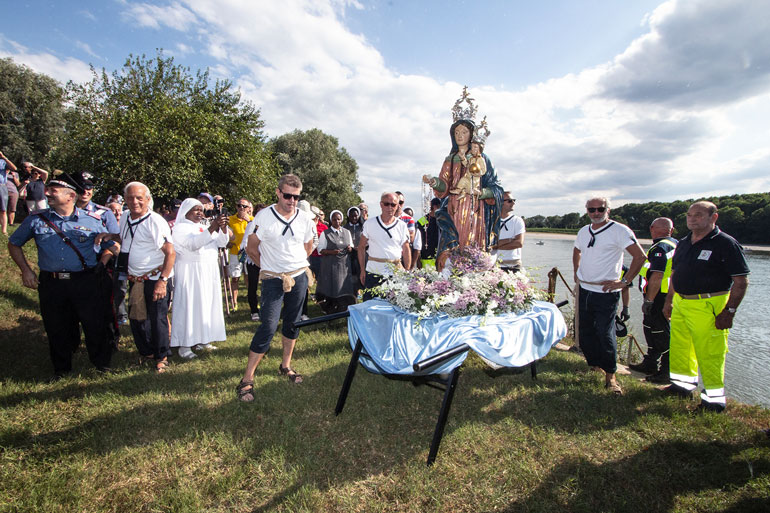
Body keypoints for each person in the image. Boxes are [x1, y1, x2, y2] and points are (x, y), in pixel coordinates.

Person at [8, 172, 117, 379]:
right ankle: (61, 369)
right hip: (52, 283)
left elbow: (112, 246)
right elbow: (14, 243)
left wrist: (106, 259)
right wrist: (26, 270)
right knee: (56, 326)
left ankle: (102, 366)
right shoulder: (36, 220)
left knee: (94, 324)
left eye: (53, 191)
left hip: (85, 281)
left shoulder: (92, 220)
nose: (47, 194)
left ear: (70, 196)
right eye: (48, 190)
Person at [663, 201, 750, 413]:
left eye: (699, 215)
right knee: (681, 348)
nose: (692, 219)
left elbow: (741, 281)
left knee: (710, 353)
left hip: (709, 304)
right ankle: (682, 387)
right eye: (689, 215)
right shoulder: (684, 242)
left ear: (714, 217)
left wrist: (729, 311)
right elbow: (675, 273)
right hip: (682, 302)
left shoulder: (725, 244)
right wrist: (669, 300)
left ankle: (714, 402)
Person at [237, 174, 316, 401]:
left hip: (298, 277)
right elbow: (252, 248)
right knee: (268, 326)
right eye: (288, 196)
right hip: (273, 279)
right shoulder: (264, 217)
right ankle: (247, 379)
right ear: (278, 193)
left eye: (296, 197)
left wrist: (294, 266)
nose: (292, 201)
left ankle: (285, 365)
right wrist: (270, 268)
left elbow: (308, 245)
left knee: (293, 322)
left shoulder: (304, 219)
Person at [422, 89, 503, 269]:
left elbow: (497, 188)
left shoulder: (482, 158)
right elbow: (444, 185)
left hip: (476, 209)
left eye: (464, 132)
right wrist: (434, 182)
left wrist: (481, 193)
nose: (459, 136)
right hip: (454, 207)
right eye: (456, 132)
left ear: (471, 134)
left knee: (473, 251)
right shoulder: (450, 159)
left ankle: (473, 279)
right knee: (452, 248)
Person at [573, 197, 646, 396]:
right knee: (586, 332)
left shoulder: (620, 231)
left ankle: (611, 376)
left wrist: (625, 281)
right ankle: (595, 365)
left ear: (608, 210)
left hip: (606, 293)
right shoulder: (583, 231)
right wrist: (576, 271)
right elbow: (577, 250)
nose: (596, 213)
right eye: (592, 209)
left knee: (605, 333)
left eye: (600, 209)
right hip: (585, 289)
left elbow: (640, 256)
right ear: (587, 211)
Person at [104, 182, 175, 373]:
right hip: (135, 279)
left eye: (139, 198)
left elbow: (170, 252)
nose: (134, 202)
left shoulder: (155, 221)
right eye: (130, 198)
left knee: (157, 318)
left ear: (148, 199)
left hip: (155, 278)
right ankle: (147, 352)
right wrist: (109, 236)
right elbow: (125, 238)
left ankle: (161, 356)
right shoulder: (125, 216)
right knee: (137, 318)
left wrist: (163, 281)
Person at [170, 198, 229, 359]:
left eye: (201, 210)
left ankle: (204, 339)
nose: (199, 212)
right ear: (186, 211)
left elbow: (222, 242)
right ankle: (184, 345)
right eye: (195, 209)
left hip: (208, 271)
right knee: (190, 306)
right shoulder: (180, 228)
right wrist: (213, 226)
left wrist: (223, 227)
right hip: (190, 271)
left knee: (206, 305)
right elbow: (193, 244)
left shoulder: (204, 226)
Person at [629, 217, 677, 383]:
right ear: (671, 230)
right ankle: (650, 362)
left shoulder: (661, 248)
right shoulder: (675, 244)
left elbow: (657, 275)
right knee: (651, 329)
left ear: (652, 229)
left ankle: (666, 371)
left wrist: (649, 300)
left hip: (659, 296)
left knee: (659, 332)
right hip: (665, 295)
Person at [358, 192, 411, 301]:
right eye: (387, 204)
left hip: (395, 274)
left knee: (394, 306)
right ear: (381, 204)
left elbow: (406, 249)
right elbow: (361, 247)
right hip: (373, 272)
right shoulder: (370, 224)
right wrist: (362, 270)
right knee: (370, 306)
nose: (390, 207)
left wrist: (407, 270)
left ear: (397, 206)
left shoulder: (402, 226)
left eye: (393, 205)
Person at [316, 210, 355, 313]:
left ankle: (344, 306)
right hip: (331, 265)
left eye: (338, 219)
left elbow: (351, 246)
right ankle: (330, 307)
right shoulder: (325, 233)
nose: (337, 221)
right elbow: (320, 250)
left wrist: (350, 248)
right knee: (332, 286)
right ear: (331, 220)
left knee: (344, 285)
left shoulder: (347, 232)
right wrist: (331, 252)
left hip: (344, 265)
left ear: (341, 220)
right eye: (334, 219)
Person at [242, 203, 266, 321]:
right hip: (253, 261)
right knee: (253, 286)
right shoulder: (251, 225)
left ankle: (267, 309)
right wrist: (253, 253)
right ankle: (254, 311)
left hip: (268, 261)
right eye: (259, 213)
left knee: (268, 286)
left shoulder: (271, 225)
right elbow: (244, 243)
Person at [227, 198, 254, 308]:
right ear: (236, 207)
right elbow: (224, 234)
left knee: (248, 277)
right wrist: (227, 243)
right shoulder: (230, 219)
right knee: (235, 278)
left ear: (249, 208)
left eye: (244, 206)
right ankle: (234, 302)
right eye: (239, 205)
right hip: (235, 252)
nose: (241, 208)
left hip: (249, 253)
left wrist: (249, 221)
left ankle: (251, 300)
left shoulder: (253, 220)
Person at [493, 193, 525, 273]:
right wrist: (509, 240)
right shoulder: (491, 221)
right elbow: (487, 244)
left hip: (513, 267)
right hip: (494, 266)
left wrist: (495, 246)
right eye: (510, 201)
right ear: (500, 202)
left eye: (514, 200)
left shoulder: (517, 220)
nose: (513, 203)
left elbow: (518, 243)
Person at [418, 197, 441, 268]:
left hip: (440, 258)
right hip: (426, 258)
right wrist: (418, 259)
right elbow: (418, 241)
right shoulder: (422, 221)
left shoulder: (442, 221)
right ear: (435, 207)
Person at [0, 150, 18, 235]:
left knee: (3, 210)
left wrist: (4, 157)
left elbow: (14, 168)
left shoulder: (3, 162)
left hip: (1, 186)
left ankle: (4, 230)